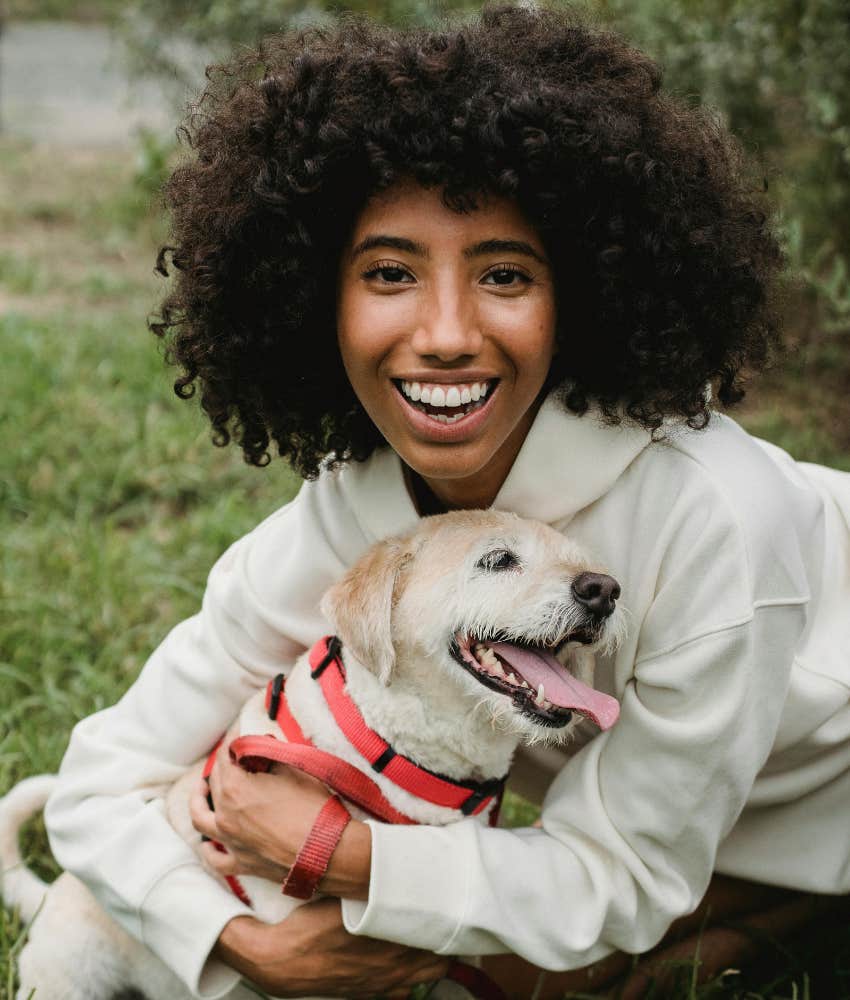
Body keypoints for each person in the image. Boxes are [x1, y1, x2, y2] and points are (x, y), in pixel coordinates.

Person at [44, 4, 850, 998]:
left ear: (585, 296)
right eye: (388, 272)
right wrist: (231, 939)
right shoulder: (357, 513)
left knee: (561, 972)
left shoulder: (717, 522)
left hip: (811, 802)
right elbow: (92, 785)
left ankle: (790, 911)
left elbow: (624, 873)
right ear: (313, 297)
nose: (444, 333)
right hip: (660, 827)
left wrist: (343, 859)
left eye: (504, 274)